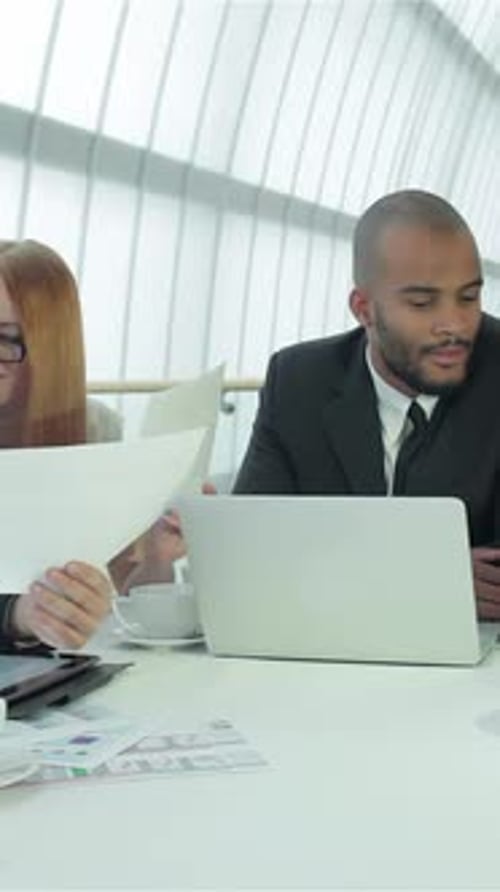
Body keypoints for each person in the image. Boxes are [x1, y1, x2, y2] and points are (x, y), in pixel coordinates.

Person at [233, 189, 500, 620]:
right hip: (327, 653)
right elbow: (252, 550)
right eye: (421, 302)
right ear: (364, 308)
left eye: (468, 297)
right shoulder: (299, 381)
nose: (454, 324)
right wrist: (421, 579)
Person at [0, 239, 171, 649]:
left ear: (50, 347)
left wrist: (158, 554)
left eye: (6, 339)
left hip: (44, 676)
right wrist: (18, 613)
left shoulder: (93, 429)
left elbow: (127, 592)